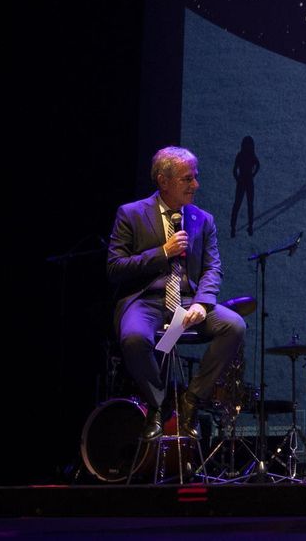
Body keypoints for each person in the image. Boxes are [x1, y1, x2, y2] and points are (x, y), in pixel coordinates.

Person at [107, 146, 247, 441]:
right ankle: (158, 404)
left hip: (187, 300)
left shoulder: (202, 219)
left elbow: (212, 268)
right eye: (187, 179)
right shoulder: (131, 214)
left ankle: (192, 401)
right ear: (163, 181)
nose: (195, 185)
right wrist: (162, 252)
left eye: (195, 178)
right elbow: (115, 268)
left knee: (234, 326)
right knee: (133, 338)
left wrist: (203, 302)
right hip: (146, 300)